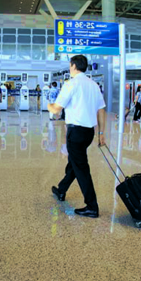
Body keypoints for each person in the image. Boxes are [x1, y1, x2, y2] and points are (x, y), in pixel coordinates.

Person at [49, 55, 107, 219]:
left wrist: (49, 105)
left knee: (81, 168)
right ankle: (61, 189)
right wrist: (102, 133)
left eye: (69, 65)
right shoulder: (94, 85)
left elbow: (56, 109)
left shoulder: (71, 84)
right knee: (75, 162)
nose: (69, 68)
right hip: (89, 132)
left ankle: (92, 206)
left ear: (73, 66)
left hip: (75, 132)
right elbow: (101, 110)